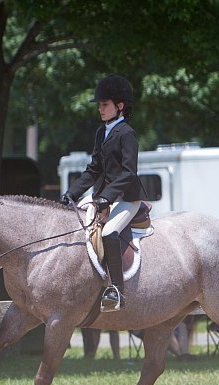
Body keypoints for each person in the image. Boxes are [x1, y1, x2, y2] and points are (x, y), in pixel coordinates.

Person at [61, 74, 147, 312]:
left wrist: (106, 197)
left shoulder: (127, 134)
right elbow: (94, 168)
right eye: (99, 105)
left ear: (120, 106)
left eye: (104, 104)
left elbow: (129, 172)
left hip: (127, 197)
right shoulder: (102, 132)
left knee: (109, 232)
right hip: (104, 195)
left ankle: (117, 291)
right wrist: (72, 193)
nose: (100, 108)